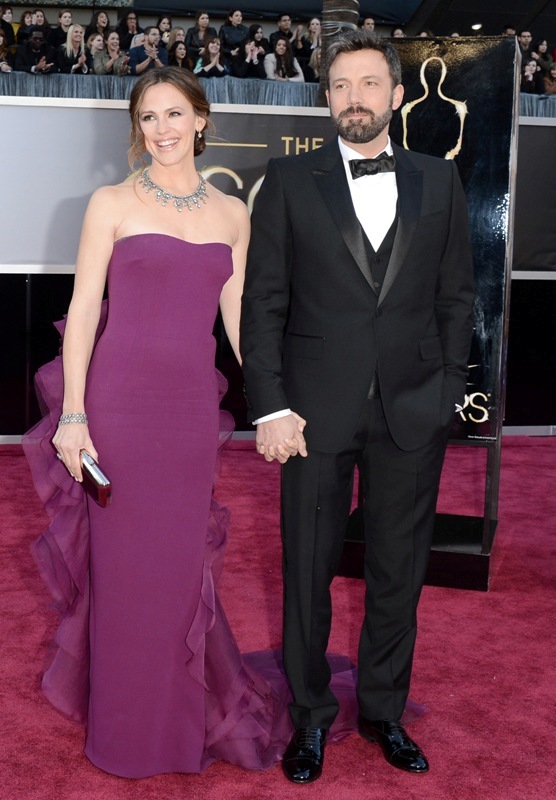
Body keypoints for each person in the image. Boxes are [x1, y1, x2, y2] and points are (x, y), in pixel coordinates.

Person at [22, 65, 287, 778]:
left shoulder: (233, 215)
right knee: (123, 574)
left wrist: (273, 399)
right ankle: (124, 732)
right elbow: (83, 311)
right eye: (148, 117)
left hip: (190, 415)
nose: (162, 129)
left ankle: (176, 724)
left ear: (201, 120)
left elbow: (239, 323)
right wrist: (73, 415)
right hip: (118, 408)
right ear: (136, 130)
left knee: (176, 570)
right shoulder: (111, 202)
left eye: (175, 114)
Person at [240, 29, 474, 784]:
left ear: (397, 95)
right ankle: (310, 716)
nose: (354, 98)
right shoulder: (288, 179)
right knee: (307, 569)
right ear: (326, 98)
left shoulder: (439, 180)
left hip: (412, 409)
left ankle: (383, 711)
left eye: (369, 83)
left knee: (398, 571)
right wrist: (270, 405)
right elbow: (263, 302)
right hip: (311, 413)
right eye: (340, 85)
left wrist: (446, 389)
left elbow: (456, 296)